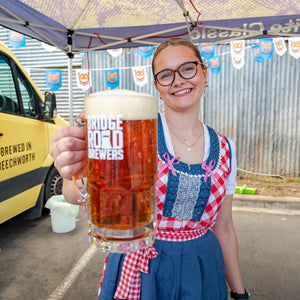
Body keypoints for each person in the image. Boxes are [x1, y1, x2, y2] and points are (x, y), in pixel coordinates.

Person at [50, 38, 249, 300]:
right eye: (166, 75)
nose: (178, 80)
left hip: (202, 267)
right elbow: (75, 195)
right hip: (141, 265)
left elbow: (223, 228)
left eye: (187, 69)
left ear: (204, 73)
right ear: (157, 86)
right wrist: (71, 171)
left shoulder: (226, 148)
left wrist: (239, 292)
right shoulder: (133, 130)